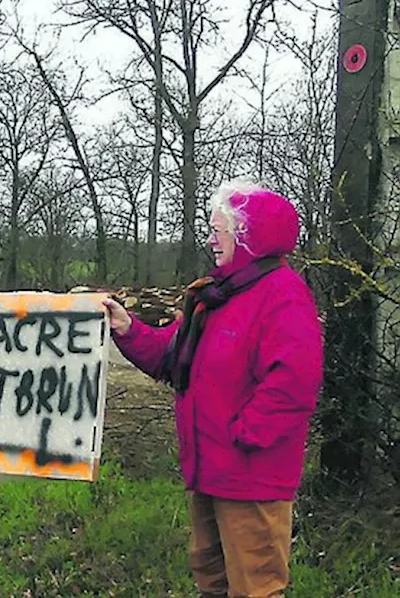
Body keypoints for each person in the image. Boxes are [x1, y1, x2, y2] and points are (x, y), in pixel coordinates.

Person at [103, 181, 323, 597]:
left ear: (246, 238)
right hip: (210, 471)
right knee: (212, 580)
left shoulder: (282, 295)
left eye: (218, 230)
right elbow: (171, 354)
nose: (210, 239)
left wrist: (244, 436)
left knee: (255, 587)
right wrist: (128, 330)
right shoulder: (218, 296)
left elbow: (295, 379)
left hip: (250, 478)